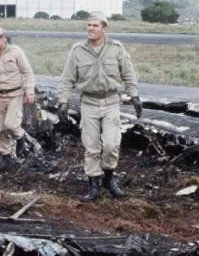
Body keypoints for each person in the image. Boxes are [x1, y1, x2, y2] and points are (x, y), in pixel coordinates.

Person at [56, 11, 141, 202]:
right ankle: (93, 185)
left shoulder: (116, 48)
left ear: (104, 28)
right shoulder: (78, 50)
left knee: (111, 145)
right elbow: (67, 78)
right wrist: (63, 101)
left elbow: (128, 73)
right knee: (91, 146)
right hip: (89, 103)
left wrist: (134, 96)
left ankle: (109, 180)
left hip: (111, 102)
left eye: (95, 26)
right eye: (89, 25)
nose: (90, 29)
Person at [0, 26, 35, 170]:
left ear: (3, 37)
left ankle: (21, 137)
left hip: (15, 95)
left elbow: (27, 72)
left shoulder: (16, 52)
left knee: (11, 124)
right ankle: (4, 157)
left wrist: (29, 91)